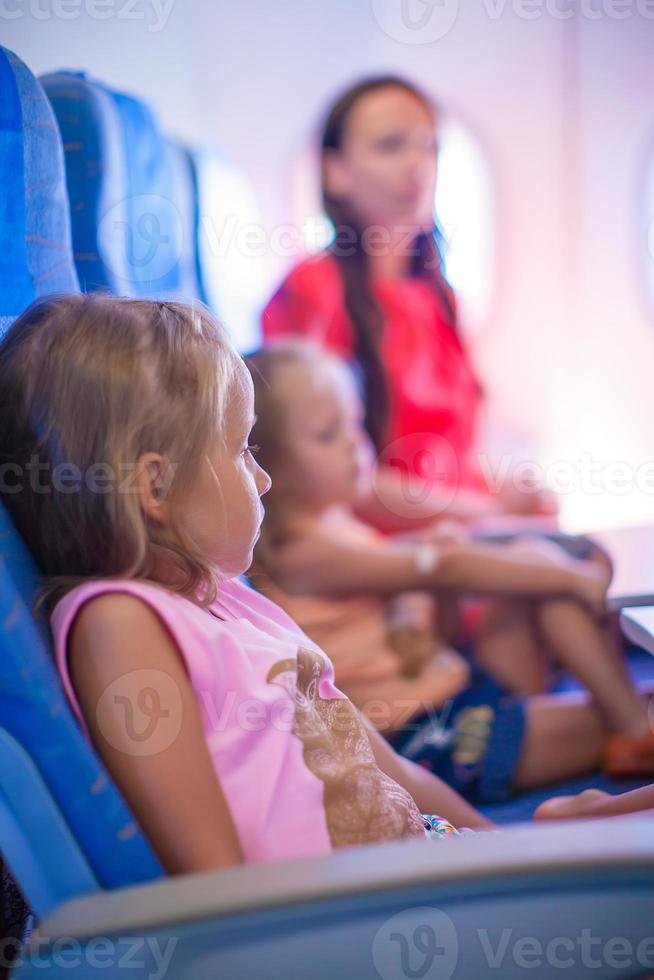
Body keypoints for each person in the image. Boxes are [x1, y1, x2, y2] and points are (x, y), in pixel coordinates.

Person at [0, 294, 497, 875]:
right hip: (356, 921)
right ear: (155, 487)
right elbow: (216, 882)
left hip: (424, 861)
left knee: (593, 817)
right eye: (243, 450)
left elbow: (390, 768)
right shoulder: (118, 625)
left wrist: (509, 850)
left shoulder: (229, 599)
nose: (262, 480)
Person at [245, 341, 654, 804]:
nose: (353, 445)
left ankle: (631, 724)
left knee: (530, 558)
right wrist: (575, 578)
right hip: (432, 735)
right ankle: (631, 727)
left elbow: (436, 632)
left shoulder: (341, 525)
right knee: (548, 579)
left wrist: (443, 593)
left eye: (354, 425)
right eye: (327, 434)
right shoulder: (305, 554)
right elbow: (447, 567)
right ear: (268, 465)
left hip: (465, 689)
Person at [262, 75, 553, 530]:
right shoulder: (311, 290)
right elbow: (323, 481)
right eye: (391, 146)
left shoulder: (439, 296)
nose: (418, 164)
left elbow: (452, 456)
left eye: (429, 146)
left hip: (453, 522)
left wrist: (505, 492)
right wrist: (488, 514)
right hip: (381, 540)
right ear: (334, 171)